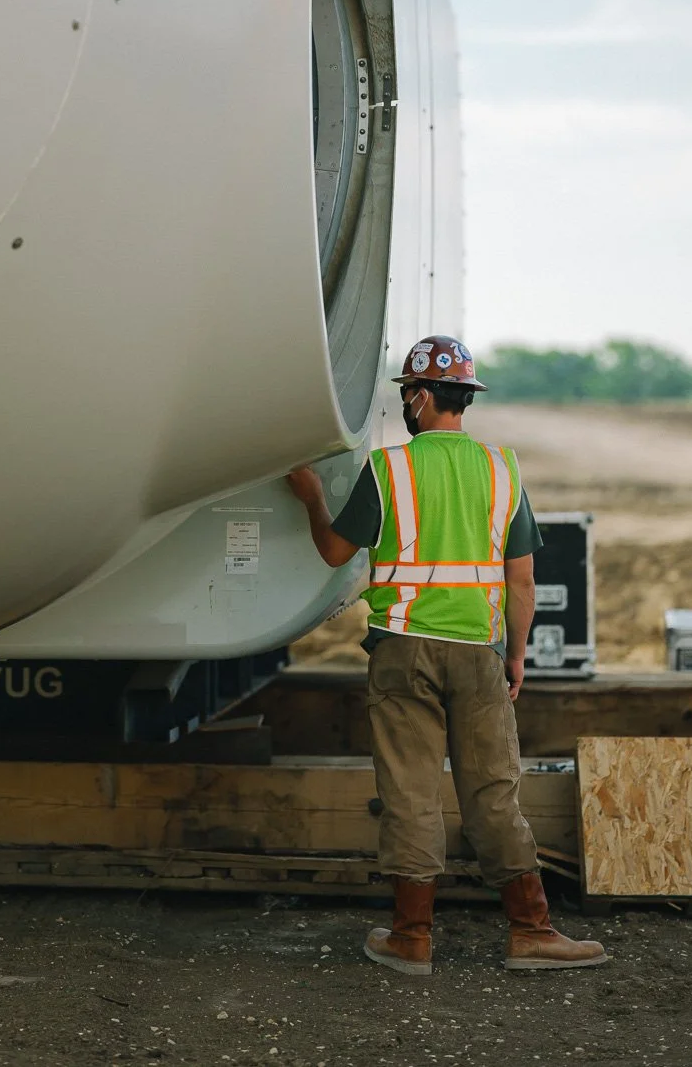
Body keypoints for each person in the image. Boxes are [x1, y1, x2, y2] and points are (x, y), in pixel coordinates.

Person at [287, 335, 607, 975]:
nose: (406, 402)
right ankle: (531, 931)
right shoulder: (501, 470)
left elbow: (331, 553)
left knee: (410, 793)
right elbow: (522, 581)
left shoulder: (389, 470)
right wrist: (515, 656)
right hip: (479, 654)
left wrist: (312, 498)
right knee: (493, 791)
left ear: (423, 396)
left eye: (409, 392)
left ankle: (411, 938)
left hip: (404, 651)